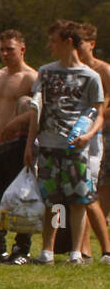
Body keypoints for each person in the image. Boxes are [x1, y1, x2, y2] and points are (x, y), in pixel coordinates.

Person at [24, 20, 107, 264]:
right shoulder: (46, 72)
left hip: (75, 148)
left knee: (78, 202)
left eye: (53, 41)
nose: (50, 46)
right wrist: (31, 144)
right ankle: (47, 252)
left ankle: (75, 253)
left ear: (68, 41)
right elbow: (36, 111)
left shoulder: (90, 76)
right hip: (48, 146)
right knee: (51, 201)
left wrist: (89, 136)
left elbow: (98, 112)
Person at [0, 32, 38, 264]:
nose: (5, 54)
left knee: (22, 198)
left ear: (22, 49)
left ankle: (22, 249)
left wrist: (17, 123)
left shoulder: (31, 77)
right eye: (2, 49)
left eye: (9, 49)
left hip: (21, 144)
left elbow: (37, 111)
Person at [74, 22, 110, 262]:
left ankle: (103, 249)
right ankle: (84, 249)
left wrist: (98, 113)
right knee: (84, 190)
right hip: (80, 135)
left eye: (81, 43)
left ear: (92, 44)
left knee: (97, 192)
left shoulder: (104, 70)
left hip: (103, 134)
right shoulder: (73, 71)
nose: (77, 48)